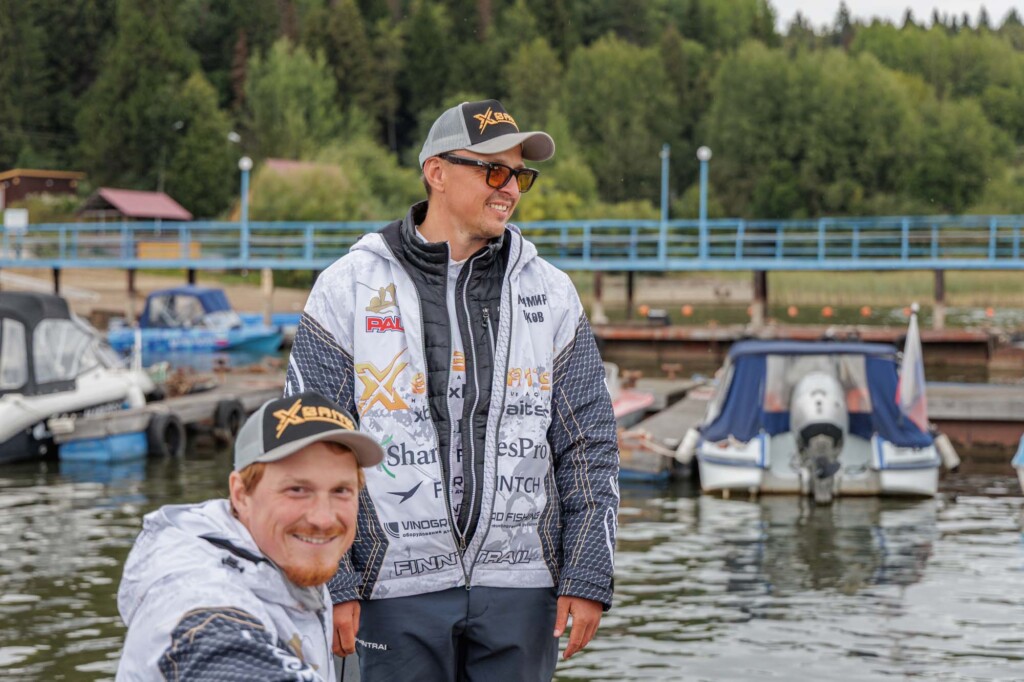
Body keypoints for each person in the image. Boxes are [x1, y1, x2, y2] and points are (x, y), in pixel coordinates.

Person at [285, 98, 619, 680]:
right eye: (493, 171)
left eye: (519, 176)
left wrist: (588, 573)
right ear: (436, 172)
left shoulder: (553, 293)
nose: (509, 188)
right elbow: (308, 442)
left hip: (522, 588)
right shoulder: (347, 287)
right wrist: (332, 581)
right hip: (387, 589)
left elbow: (589, 441)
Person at [115, 392, 384, 681]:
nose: (323, 519)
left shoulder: (283, 555)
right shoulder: (192, 588)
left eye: (341, 491)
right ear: (241, 494)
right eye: (297, 490)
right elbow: (213, 642)